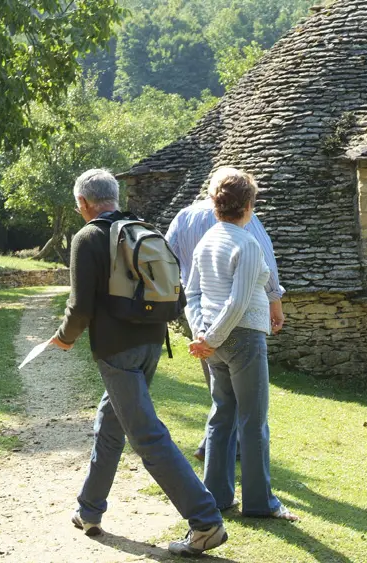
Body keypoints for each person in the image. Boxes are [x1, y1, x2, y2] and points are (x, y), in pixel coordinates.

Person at [48, 169, 228, 557]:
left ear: (83, 203)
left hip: (116, 350)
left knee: (146, 435)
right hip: (151, 342)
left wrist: (64, 337)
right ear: (115, 196)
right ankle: (89, 510)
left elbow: (80, 306)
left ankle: (205, 520)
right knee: (111, 422)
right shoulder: (145, 229)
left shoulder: (89, 237)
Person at [184, 168, 299, 522]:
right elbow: (237, 303)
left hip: (214, 343)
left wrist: (202, 335)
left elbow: (191, 293)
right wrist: (211, 337)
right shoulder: (246, 242)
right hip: (243, 338)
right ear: (248, 206)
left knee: (222, 416)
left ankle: (217, 497)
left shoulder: (207, 240)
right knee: (253, 421)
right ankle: (260, 503)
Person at [166, 168, 285, 461]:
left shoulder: (184, 217)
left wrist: (196, 328)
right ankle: (241, 456)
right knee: (247, 403)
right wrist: (275, 301)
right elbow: (263, 259)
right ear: (244, 201)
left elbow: (167, 258)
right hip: (239, 319)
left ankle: (212, 450)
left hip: (202, 317)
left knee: (220, 395)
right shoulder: (246, 223)